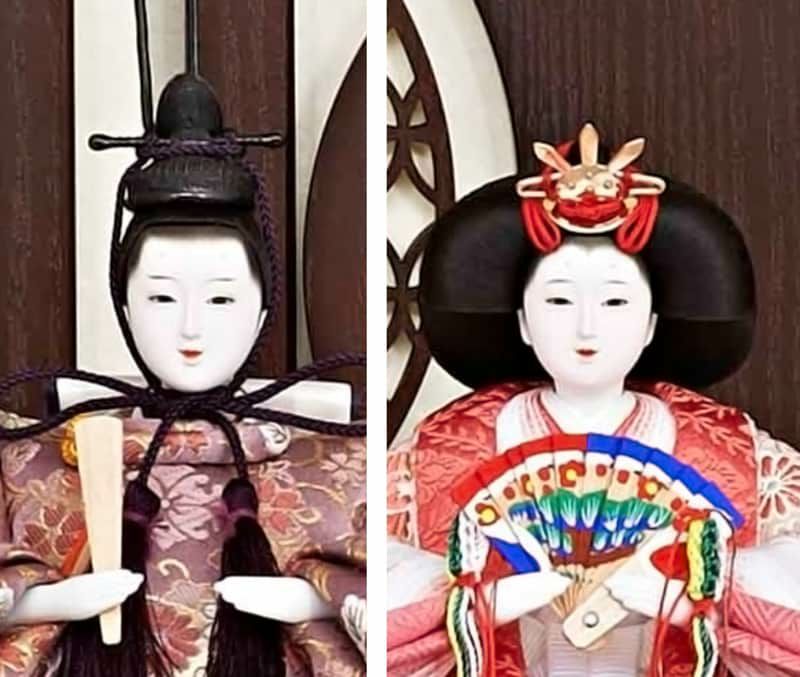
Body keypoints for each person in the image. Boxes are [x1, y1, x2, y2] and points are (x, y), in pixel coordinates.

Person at [0, 8, 366, 675]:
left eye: (221, 298)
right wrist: (49, 602)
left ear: (263, 308)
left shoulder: (339, 464)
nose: (190, 326)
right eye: (162, 297)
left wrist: (312, 601)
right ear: (124, 304)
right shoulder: (34, 463)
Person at [387, 124, 800, 676]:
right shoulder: (444, 447)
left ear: (651, 324)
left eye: (615, 302)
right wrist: (479, 602)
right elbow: (369, 581)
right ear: (523, 322)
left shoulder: (731, 450)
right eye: (559, 301)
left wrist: (698, 601)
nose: (587, 327)